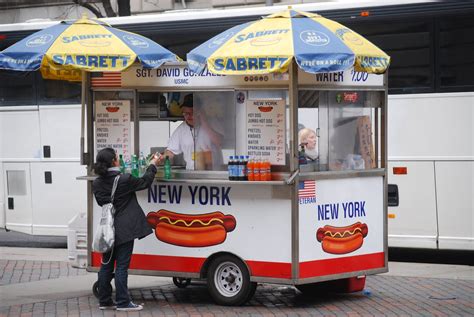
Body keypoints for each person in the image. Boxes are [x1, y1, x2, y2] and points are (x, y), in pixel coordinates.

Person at [92, 147, 159, 311]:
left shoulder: (97, 183)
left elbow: (102, 202)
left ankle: (105, 301)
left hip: (107, 229)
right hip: (125, 229)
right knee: (121, 266)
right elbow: (145, 182)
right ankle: (123, 302)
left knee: (106, 265)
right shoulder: (124, 179)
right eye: (116, 157)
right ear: (114, 161)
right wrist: (153, 165)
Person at [160, 93, 223, 170]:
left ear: (200, 112)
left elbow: (220, 142)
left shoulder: (212, 122)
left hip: (213, 174)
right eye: (186, 113)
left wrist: (204, 123)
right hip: (192, 174)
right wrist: (162, 157)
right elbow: (171, 151)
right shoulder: (181, 129)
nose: (188, 116)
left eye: (191, 113)